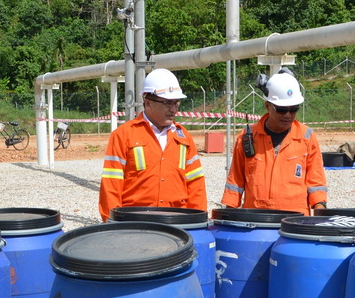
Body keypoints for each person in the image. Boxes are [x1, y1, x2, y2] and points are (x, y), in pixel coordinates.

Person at [98, 68, 207, 221]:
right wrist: (113, 223)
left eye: (176, 103)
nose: (174, 109)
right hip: (135, 222)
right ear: (148, 103)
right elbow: (111, 184)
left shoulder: (184, 137)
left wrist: (197, 221)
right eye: (168, 103)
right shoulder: (124, 135)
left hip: (176, 221)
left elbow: (196, 184)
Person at [221, 70, 327, 214]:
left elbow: (316, 181)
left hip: (294, 220)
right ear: (267, 106)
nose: (288, 115)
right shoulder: (248, 137)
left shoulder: (306, 137)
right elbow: (235, 181)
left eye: (294, 109)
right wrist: (228, 217)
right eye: (282, 110)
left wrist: (320, 212)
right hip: (256, 219)